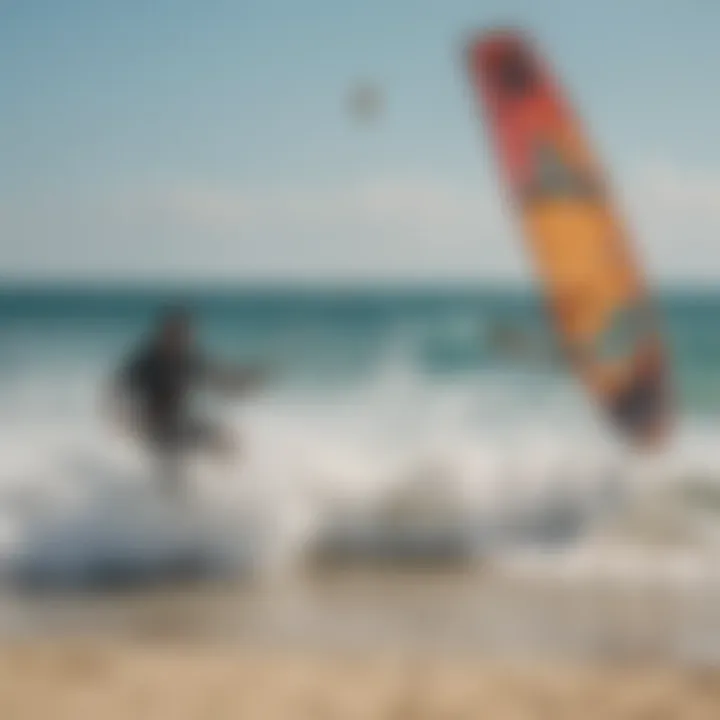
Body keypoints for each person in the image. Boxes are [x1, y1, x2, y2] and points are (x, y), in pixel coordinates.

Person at [108, 306, 265, 497]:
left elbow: (220, 380)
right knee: (173, 476)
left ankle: (234, 491)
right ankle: (164, 510)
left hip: (182, 422)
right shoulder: (146, 362)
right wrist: (125, 419)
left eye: (184, 333)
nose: (180, 338)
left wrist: (245, 381)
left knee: (224, 442)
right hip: (155, 428)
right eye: (174, 332)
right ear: (164, 332)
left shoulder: (189, 358)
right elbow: (118, 390)